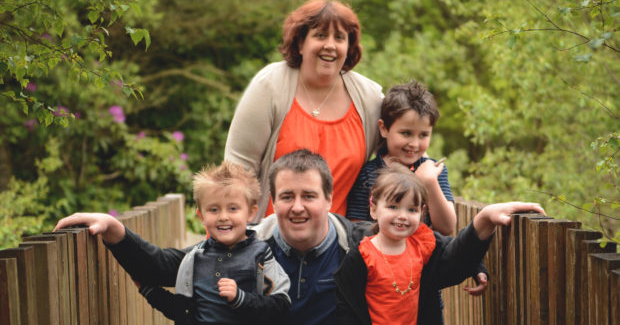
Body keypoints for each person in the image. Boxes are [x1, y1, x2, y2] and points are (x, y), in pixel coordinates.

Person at [54, 150, 545, 325]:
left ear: (329, 199)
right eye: (285, 196)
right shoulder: (245, 244)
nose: (297, 206)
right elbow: (169, 267)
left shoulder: (365, 242)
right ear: (270, 202)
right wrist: (116, 233)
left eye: (308, 195)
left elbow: (442, 263)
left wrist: (482, 227)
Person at [54, 162, 291, 325]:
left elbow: (280, 306)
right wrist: (114, 229)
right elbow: (166, 281)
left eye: (233, 208)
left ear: (251, 212)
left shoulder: (261, 255)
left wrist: (241, 298)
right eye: (214, 209)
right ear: (200, 215)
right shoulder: (195, 258)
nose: (223, 216)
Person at [224, 0, 384, 221]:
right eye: (320, 35)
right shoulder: (270, 86)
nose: (330, 45)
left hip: (338, 246)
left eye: (339, 38)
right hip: (268, 242)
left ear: (348, 47)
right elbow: (237, 172)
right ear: (300, 43)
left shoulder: (369, 98)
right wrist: (236, 244)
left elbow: (405, 149)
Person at [335, 164, 512, 325]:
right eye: (393, 207)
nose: (403, 215)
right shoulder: (361, 256)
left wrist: (477, 263)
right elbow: (347, 307)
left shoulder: (420, 243)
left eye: (412, 209)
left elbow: (454, 252)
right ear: (374, 208)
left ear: (422, 212)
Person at [346, 81, 455, 235]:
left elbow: (447, 228)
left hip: (424, 256)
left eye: (423, 135)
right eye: (406, 133)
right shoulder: (368, 174)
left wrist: (429, 182)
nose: (414, 144)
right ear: (384, 128)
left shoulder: (434, 171)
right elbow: (356, 230)